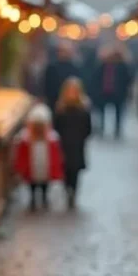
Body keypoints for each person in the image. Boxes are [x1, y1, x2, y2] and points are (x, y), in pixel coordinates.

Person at [13, 104, 64, 210]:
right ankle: (33, 198)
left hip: (45, 167)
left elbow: (56, 156)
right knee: (32, 184)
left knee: (45, 184)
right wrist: (21, 169)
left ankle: (44, 197)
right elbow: (21, 156)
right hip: (32, 168)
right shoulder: (25, 139)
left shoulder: (52, 139)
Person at [54, 77, 93, 209]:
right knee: (65, 168)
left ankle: (73, 192)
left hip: (77, 144)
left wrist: (82, 137)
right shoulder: (61, 109)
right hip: (64, 144)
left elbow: (88, 128)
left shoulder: (83, 109)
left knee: (75, 170)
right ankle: (67, 189)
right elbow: (56, 126)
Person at [91, 45, 132, 138]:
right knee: (101, 113)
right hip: (104, 93)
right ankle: (101, 128)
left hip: (118, 93)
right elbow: (96, 79)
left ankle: (117, 129)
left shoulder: (122, 66)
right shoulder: (102, 66)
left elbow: (127, 80)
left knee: (118, 113)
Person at [43, 42, 82, 111]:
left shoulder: (75, 68)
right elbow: (47, 86)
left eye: (66, 51)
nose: (64, 53)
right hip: (54, 102)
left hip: (71, 104)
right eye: (62, 51)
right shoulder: (51, 68)